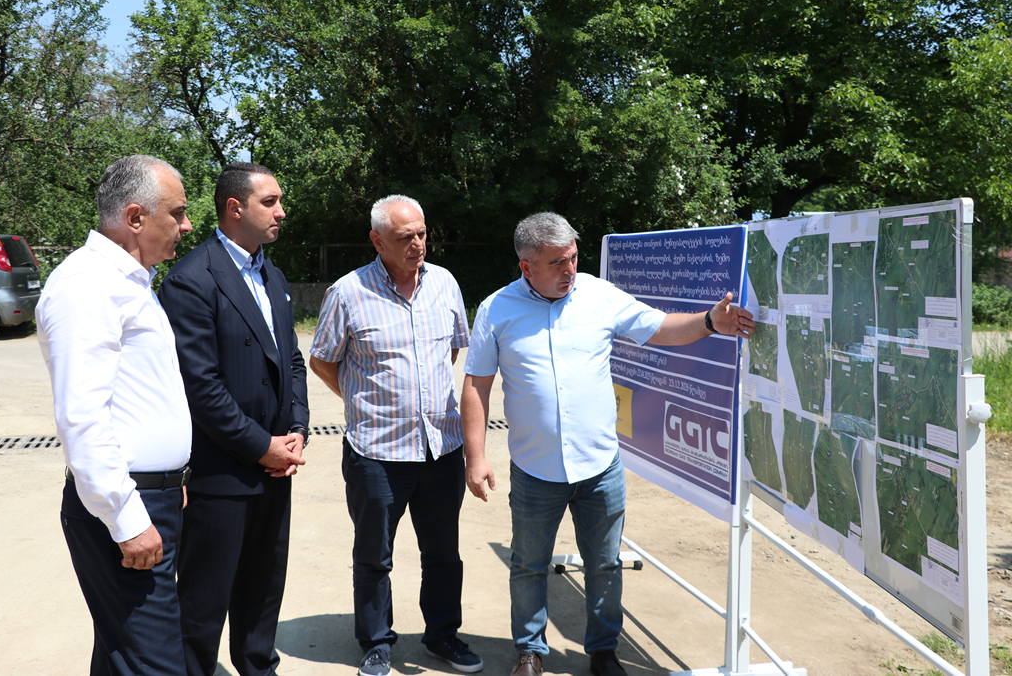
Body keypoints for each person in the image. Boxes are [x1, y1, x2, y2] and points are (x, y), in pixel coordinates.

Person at [460, 212, 755, 676]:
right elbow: (477, 384)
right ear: (526, 267)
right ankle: (530, 652)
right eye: (557, 263)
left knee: (605, 565)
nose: (569, 270)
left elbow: (659, 327)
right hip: (535, 469)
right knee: (529, 564)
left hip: (599, 468)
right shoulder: (497, 309)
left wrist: (710, 322)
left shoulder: (599, 295)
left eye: (573, 258)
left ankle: (603, 652)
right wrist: (475, 457)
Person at [308, 194, 482, 676]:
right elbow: (322, 360)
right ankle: (376, 643)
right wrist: (363, 400)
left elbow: (451, 351)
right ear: (377, 241)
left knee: (443, 553)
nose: (418, 244)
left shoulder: (444, 283)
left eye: (422, 233)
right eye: (406, 237)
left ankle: (443, 635)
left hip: (441, 448)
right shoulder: (348, 292)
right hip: (377, 453)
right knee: (374, 556)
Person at [37, 154, 194, 675]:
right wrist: (127, 516)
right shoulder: (86, 285)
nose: (187, 225)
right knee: (157, 664)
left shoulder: (129, 281)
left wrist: (172, 478)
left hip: (150, 495)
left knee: (122, 657)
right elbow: (82, 417)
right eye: (177, 213)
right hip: (124, 506)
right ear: (135, 218)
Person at [158, 162, 310, 676]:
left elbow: (291, 361)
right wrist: (261, 446)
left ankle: (258, 667)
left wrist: (297, 430)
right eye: (270, 202)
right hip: (221, 475)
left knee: (263, 592)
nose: (281, 212)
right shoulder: (191, 280)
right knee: (203, 603)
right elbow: (201, 387)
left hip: (276, 467)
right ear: (234, 208)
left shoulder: (273, 275)